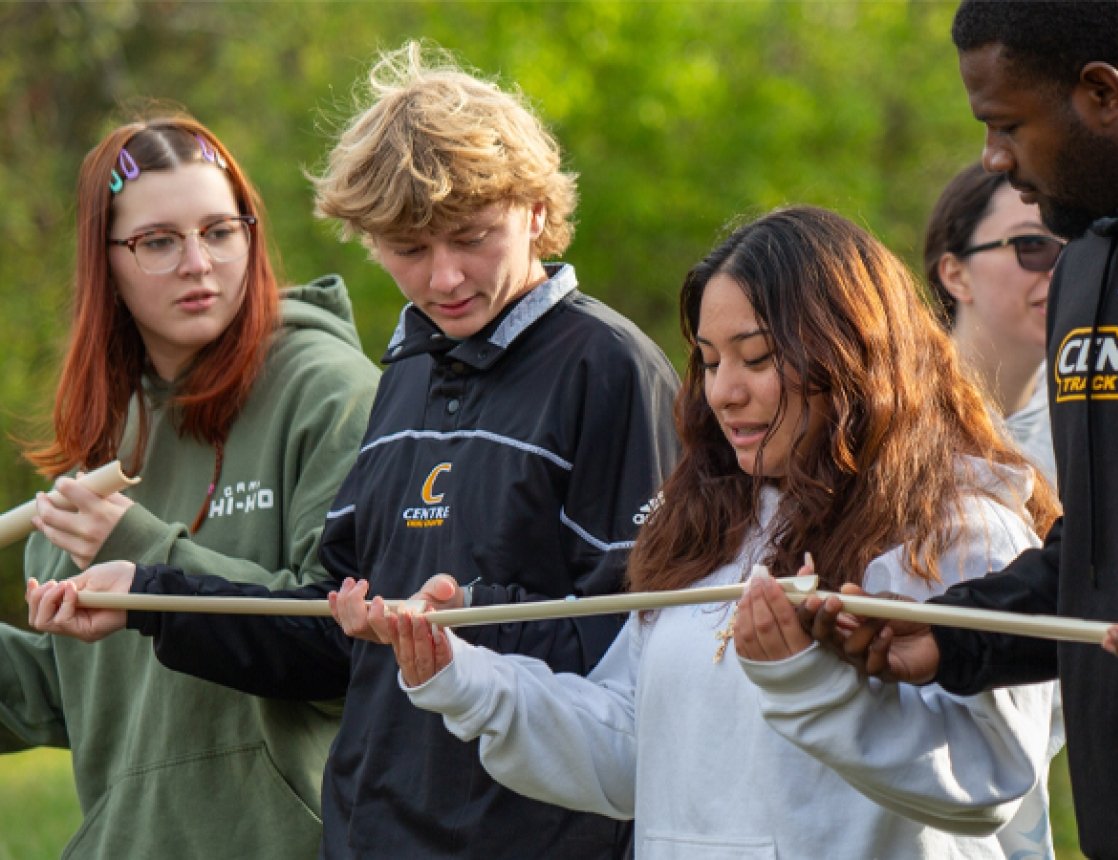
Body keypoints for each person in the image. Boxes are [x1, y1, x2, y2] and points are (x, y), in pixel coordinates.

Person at [29, 43, 679, 858]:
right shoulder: (406, 368)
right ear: (368, 241)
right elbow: (331, 631)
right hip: (377, 836)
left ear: (537, 210)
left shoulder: (609, 368)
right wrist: (150, 594)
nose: (444, 278)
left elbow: (645, 652)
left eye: (473, 238)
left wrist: (463, 623)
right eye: (409, 250)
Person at [377, 205, 1062, 857]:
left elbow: (988, 779)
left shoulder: (965, 530)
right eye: (709, 360)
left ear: (852, 354)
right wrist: (464, 677)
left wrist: (810, 683)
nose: (723, 391)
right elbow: (631, 751)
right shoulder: (707, 529)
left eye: (756, 358)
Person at [803, 1, 1118, 856]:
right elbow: (1104, 556)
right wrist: (952, 632)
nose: (994, 160)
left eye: (1006, 127)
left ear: (1104, 94)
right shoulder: (1087, 266)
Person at [7, 116, 378, 857]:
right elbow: (68, 695)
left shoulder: (329, 393)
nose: (198, 263)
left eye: (220, 230)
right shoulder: (98, 433)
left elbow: (350, 647)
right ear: (104, 262)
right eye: (158, 241)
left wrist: (143, 553)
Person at [923, 162, 1065, 486]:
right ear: (956, 275)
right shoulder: (891, 410)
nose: (1061, 271)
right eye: (1032, 245)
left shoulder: (1090, 414)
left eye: (1078, 250)